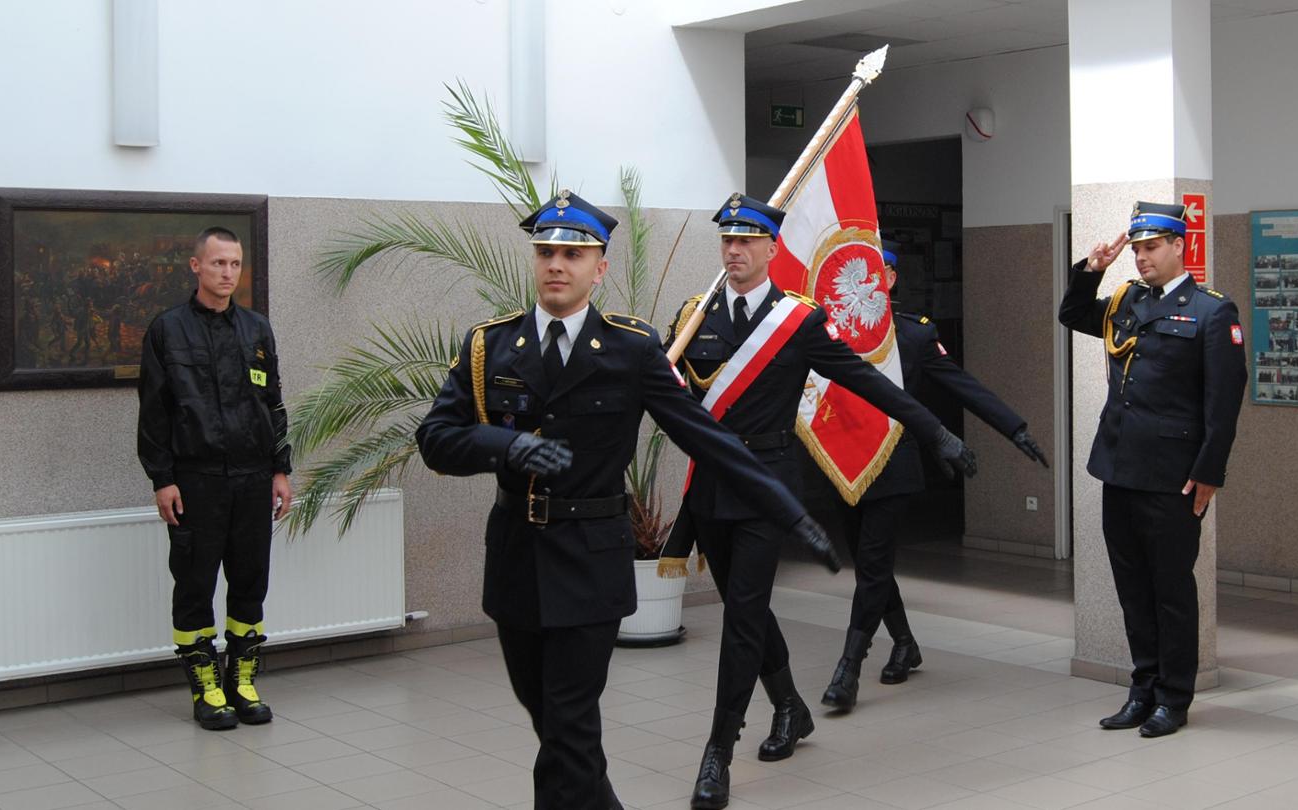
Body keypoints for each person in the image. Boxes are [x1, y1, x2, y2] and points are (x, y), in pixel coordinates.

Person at [415, 190, 838, 810]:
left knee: (568, 723)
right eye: (546, 252)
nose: (556, 264)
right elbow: (435, 439)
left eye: (573, 254)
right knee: (554, 727)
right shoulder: (491, 347)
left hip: (590, 559)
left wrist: (789, 510)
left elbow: (708, 438)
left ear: (600, 269)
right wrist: (503, 446)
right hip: (516, 560)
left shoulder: (630, 349)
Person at [661, 193, 976, 809]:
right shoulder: (694, 316)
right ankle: (788, 706)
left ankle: (717, 751)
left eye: (747, 241)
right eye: (727, 240)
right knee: (746, 610)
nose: (734, 250)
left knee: (742, 616)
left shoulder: (798, 320)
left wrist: (935, 430)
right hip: (710, 487)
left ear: (772, 250)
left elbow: (865, 379)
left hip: (767, 488)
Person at [819, 246, 1048, 711]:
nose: (866, 280)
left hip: (895, 462)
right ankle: (905, 642)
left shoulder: (914, 335)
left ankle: (849, 667)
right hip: (844, 463)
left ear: (892, 276)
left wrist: (1013, 427)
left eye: (876, 271)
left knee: (874, 561)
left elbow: (961, 385)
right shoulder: (832, 333)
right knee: (869, 565)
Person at [1057, 201, 1245, 738]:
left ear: (1178, 246)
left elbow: (1224, 401)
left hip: (1174, 475)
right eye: (1137, 249)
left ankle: (1174, 697)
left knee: (1170, 589)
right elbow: (1073, 316)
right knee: (1131, 586)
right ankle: (1142, 689)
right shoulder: (1126, 300)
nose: (1142, 258)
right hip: (1118, 465)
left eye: (1151, 247)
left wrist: (1210, 471)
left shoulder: (1211, 311)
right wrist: (1091, 269)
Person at [136, 226, 292, 731]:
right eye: (219, 263)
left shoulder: (256, 330)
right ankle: (206, 688)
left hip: (251, 479)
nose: (228, 273)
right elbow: (154, 414)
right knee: (195, 584)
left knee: (250, 581)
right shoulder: (168, 330)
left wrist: (280, 469)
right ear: (196, 266)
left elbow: (273, 404)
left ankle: (242, 680)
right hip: (195, 480)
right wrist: (162, 479)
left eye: (235, 264)